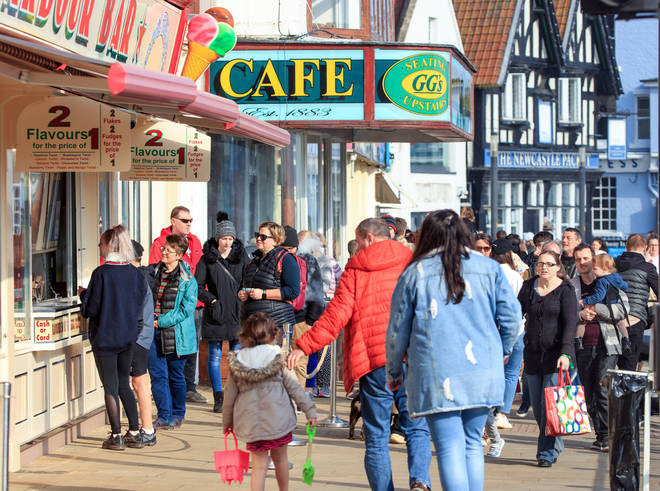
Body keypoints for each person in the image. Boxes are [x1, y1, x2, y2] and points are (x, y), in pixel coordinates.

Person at [287, 218, 432, 491]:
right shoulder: (412, 263)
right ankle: (420, 482)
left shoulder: (355, 271)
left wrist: (303, 345)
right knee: (416, 428)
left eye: (359, 241)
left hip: (375, 361)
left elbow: (335, 317)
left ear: (367, 238)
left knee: (377, 436)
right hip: (412, 357)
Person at [386, 210, 521, 490]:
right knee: (473, 443)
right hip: (482, 367)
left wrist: (394, 369)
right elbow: (511, 318)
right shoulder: (489, 268)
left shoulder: (415, 272)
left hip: (437, 371)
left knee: (448, 447)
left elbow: (398, 328)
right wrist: (503, 350)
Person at [223, 312, 317, 491]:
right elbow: (295, 389)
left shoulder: (238, 363)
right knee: (281, 460)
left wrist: (227, 422)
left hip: (252, 425)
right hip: (278, 422)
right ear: (274, 335)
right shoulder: (279, 361)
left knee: (258, 467)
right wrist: (310, 411)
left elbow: (229, 397)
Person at [79, 225, 151, 450]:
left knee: (110, 388)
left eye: (101, 243)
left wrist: (83, 295)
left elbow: (90, 309)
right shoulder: (134, 274)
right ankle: (134, 430)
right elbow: (139, 304)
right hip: (128, 336)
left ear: (110, 245)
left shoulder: (101, 274)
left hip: (105, 338)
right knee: (123, 385)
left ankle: (116, 435)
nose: (99, 246)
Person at [518, 250, 577, 467]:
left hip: (556, 357)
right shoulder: (528, 288)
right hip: (532, 354)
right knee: (538, 408)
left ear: (558, 267)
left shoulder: (566, 290)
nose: (544, 267)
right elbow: (516, 313)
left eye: (549, 264)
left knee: (550, 406)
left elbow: (570, 324)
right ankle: (554, 441)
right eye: (540, 263)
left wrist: (566, 353)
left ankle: (545, 453)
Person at [571, 244, 627, 452]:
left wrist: (595, 308)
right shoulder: (572, 285)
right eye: (578, 259)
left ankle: (609, 435)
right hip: (583, 343)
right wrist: (580, 315)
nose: (582, 263)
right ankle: (601, 434)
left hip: (608, 342)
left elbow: (623, 309)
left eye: (586, 258)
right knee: (589, 392)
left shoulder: (607, 279)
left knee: (603, 388)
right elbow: (566, 313)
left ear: (593, 259)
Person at [149, 205, 205, 404]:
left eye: (191, 221)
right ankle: (169, 404)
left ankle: (190, 387)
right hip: (168, 309)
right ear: (174, 221)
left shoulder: (195, 241)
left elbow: (198, 271)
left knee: (190, 348)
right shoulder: (160, 243)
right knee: (167, 361)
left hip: (193, 304)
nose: (189, 224)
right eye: (185, 220)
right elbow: (156, 274)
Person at [195, 215, 249, 412]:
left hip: (237, 312)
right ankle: (219, 397)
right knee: (215, 356)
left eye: (231, 239)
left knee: (237, 356)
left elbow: (250, 278)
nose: (227, 242)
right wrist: (211, 300)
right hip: (216, 313)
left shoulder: (242, 257)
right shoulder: (207, 259)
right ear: (218, 238)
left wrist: (245, 291)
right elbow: (198, 286)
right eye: (224, 238)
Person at [146, 234, 198, 429]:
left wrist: (161, 321)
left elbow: (186, 309)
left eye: (169, 250)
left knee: (176, 375)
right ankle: (163, 415)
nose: (164, 252)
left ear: (179, 255)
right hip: (153, 332)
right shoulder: (154, 273)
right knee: (158, 375)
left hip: (176, 335)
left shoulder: (188, 280)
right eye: (164, 248)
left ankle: (178, 413)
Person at [238, 221, 300, 331]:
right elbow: (245, 285)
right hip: (251, 324)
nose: (258, 239)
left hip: (275, 324)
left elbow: (293, 291)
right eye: (257, 235)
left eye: (263, 237)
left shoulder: (286, 259)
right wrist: (243, 293)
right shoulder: (253, 261)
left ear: (275, 240)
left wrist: (263, 293)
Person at [127, 240, 157, 447]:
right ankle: (144, 427)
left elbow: (136, 312)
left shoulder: (137, 277)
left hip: (138, 336)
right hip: (142, 335)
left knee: (139, 383)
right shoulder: (141, 276)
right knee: (139, 382)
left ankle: (147, 428)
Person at [615, 233, 658, 370]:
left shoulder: (613, 264)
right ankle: (628, 392)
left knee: (611, 363)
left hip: (612, 319)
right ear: (645, 248)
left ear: (626, 246)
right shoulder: (647, 268)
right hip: (635, 319)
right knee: (629, 365)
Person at [577, 253, 631, 354]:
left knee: (583, 321)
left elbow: (599, 296)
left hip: (603, 304)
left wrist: (585, 301)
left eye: (595, 268)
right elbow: (625, 286)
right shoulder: (616, 276)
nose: (593, 270)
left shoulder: (601, 281)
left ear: (605, 268)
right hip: (613, 303)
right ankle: (626, 340)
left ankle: (578, 339)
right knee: (620, 323)